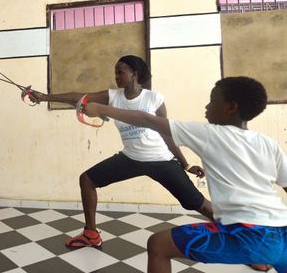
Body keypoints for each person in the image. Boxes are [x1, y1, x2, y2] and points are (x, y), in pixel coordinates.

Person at [83, 76, 287, 273]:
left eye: (212, 101)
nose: (206, 107)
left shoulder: (210, 134)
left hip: (250, 234)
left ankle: (259, 255)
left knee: (158, 245)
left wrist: (100, 108)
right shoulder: (268, 143)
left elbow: (147, 120)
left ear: (231, 107)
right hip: (282, 231)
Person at [29, 55, 213, 249]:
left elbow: (166, 134)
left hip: (160, 160)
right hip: (130, 158)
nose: (116, 76)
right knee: (87, 179)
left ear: (134, 74)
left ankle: (243, 238)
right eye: (115, 72)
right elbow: (79, 97)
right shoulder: (113, 97)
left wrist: (185, 164)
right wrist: (45, 97)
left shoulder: (154, 98)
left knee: (197, 203)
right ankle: (91, 234)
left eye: (121, 72)